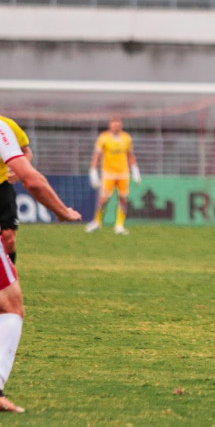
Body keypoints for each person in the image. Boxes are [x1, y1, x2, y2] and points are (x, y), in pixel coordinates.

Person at [0, 117, 82, 413]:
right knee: (10, 307)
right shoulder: (0, 127)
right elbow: (32, 179)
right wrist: (62, 212)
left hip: (2, 195)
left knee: (8, 241)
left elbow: (25, 156)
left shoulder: (9, 126)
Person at [85, 116, 141, 235]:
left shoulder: (126, 138)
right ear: (110, 125)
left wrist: (135, 170)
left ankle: (119, 226)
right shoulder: (103, 138)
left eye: (118, 123)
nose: (116, 125)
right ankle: (97, 222)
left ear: (121, 125)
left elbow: (130, 155)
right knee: (103, 199)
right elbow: (96, 155)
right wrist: (93, 171)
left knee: (123, 199)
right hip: (108, 174)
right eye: (113, 123)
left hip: (123, 174)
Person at [0, 116, 33, 265]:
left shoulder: (7, 125)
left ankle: (10, 279)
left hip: (2, 185)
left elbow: (26, 151)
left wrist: (19, 170)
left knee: (9, 237)